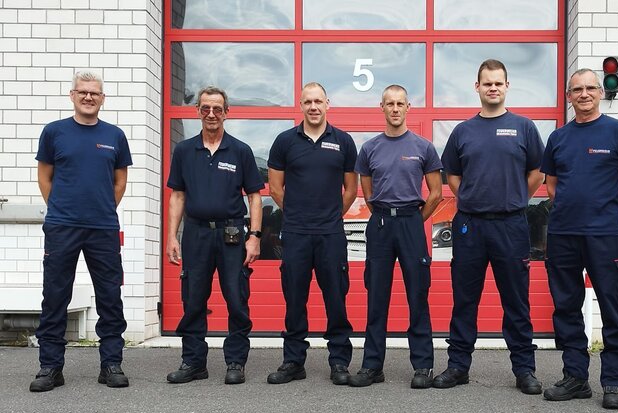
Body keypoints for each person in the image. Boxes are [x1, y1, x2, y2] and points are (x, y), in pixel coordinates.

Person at [437, 59, 546, 394]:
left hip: (511, 225)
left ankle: (524, 369)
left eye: (499, 83)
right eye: (487, 83)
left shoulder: (524, 127)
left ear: (507, 86)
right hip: (470, 226)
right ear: (478, 87)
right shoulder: (463, 131)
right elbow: (452, 175)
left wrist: (513, 199)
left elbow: (536, 173)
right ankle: (458, 366)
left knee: (516, 300)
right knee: (465, 298)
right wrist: (470, 197)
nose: (493, 88)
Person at [540, 69, 618, 408]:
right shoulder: (558, 137)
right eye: (576, 90)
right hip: (563, 235)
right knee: (566, 306)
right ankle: (576, 377)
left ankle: (613, 382)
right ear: (568, 96)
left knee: (612, 306)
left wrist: (611, 212)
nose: (583, 94)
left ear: (599, 92)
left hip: (606, 236)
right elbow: (552, 185)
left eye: (589, 88)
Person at [31, 70, 133, 392]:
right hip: (62, 227)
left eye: (95, 93)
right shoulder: (54, 133)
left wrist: (102, 208)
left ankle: (111, 363)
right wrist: (62, 208)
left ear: (103, 98)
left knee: (109, 296)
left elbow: (120, 181)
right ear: (72, 95)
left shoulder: (115, 136)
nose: (88, 97)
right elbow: (45, 176)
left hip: (103, 228)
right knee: (55, 295)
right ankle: (50, 367)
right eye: (83, 92)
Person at [165, 86, 263, 385]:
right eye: (205, 108)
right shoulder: (184, 150)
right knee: (193, 300)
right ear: (197, 111)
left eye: (217, 109)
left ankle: (235, 361)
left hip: (231, 233)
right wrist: (172, 236)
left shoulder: (240, 150)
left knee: (236, 298)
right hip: (195, 234)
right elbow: (178, 196)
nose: (211, 114)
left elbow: (255, 197)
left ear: (226, 113)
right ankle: (194, 362)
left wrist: (255, 236)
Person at [348, 85, 443, 389]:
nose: (395, 109)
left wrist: (414, 221)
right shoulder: (370, 148)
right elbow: (367, 189)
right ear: (382, 107)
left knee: (418, 295)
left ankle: (423, 365)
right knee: (376, 296)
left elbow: (436, 193)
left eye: (400, 103)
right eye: (389, 104)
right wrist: (384, 215)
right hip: (380, 226)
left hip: (410, 223)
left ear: (408, 107)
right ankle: (372, 366)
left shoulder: (423, 147)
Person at [266, 82, 358, 386]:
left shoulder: (343, 141)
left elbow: (351, 189)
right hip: (295, 233)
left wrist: (331, 215)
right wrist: (294, 213)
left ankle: (339, 361)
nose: (314, 107)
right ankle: (293, 361)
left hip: (330, 234)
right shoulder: (284, 142)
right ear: (301, 105)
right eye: (308, 102)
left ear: (328, 104)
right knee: (294, 299)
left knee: (336, 298)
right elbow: (276, 188)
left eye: (319, 101)